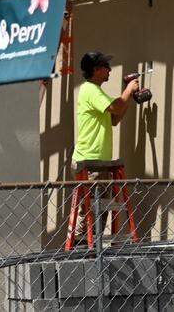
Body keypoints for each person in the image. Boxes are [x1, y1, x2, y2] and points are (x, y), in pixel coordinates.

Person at [71, 51, 140, 238]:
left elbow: (114, 119)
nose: (110, 69)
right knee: (89, 212)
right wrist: (128, 91)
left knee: (99, 211)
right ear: (96, 69)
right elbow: (115, 107)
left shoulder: (96, 91)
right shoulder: (90, 89)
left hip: (98, 162)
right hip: (89, 161)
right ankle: (83, 248)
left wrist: (128, 97)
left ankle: (94, 248)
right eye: (106, 66)